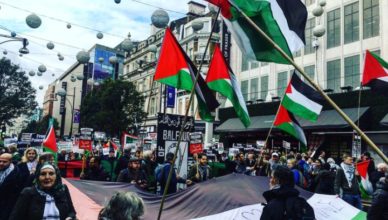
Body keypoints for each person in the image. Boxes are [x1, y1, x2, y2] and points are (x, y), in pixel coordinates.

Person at [9, 163, 76, 220]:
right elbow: (15, 217)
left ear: (57, 176)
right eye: (43, 174)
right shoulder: (28, 192)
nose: (47, 177)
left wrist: (70, 217)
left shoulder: (63, 189)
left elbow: (72, 212)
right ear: (38, 176)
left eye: (51, 173)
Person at [0, 153, 22, 220]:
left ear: (10, 161)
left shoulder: (16, 173)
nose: (1, 163)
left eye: (4, 162)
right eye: (0, 161)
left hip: (7, 206)